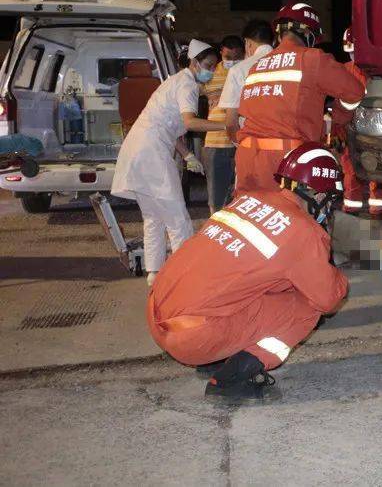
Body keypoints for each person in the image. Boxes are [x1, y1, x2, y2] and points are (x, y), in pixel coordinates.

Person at [146, 143, 349, 401]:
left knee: (254, 290)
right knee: (306, 308)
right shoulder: (305, 233)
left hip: (158, 313)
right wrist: (337, 277)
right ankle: (231, 380)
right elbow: (328, 298)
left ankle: (215, 357)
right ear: (319, 196)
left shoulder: (250, 200)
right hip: (192, 337)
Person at [111, 40, 226, 286]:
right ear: (194, 63)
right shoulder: (187, 85)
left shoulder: (173, 81)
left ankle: (155, 274)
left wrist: (188, 155)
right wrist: (228, 126)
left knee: (154, 217)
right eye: (208, 65)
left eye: (214, 67)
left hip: (138, 148)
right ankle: (185, 276)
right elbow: (191, 122)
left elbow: (171, 128)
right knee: (177, 217)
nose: (211, 71)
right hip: (151, 151)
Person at [234, 3, 365, 192]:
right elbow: (355, 92)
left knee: (251, 217)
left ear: (279, 33)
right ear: (309, 35)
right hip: (287, 161)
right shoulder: (313, 58)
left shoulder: (258, 65)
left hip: (247, 157)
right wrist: (339, 119)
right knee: (295, 218)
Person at [336, 28, 382, 217]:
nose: (353, 55)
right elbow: (337, 103)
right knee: (351, 168)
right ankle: (354, 205)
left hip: (373, 128)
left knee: (377, 166)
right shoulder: (344, 70)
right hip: (351, 128)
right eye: (350, 52)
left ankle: (376, 205)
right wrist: (336, 132)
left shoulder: (377, 71)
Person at [202, 35, 245, 214]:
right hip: (215, 141)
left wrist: (225, 96)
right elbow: (191, 87)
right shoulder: (210, 73)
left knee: (241, 194)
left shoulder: (247, 70)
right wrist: (209, 95)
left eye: (237, 58)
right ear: (221, 53)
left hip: (242, 141)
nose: (232, 62)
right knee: (216, 196)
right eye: (228, 58)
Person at [217, 20, 275, 148]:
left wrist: (239, 145)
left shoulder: (239, 69)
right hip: (286, 148)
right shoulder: (290, 64)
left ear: (247, 43)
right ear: (274, 42)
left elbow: (231, 122)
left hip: (251, 147)